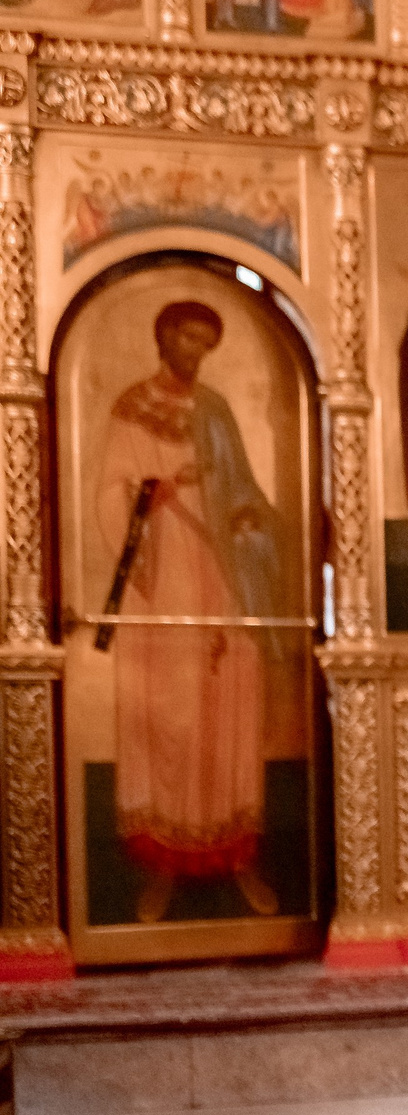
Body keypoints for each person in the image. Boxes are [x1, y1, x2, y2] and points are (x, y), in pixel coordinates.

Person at [90, 299, 285, 924]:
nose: (195, 352)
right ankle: (162, 868)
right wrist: (153, 494)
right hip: (163, 574)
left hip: (221, 569)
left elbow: (243, 487)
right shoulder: (132, 407)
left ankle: (236, 855)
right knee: (170, 707)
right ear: (163, 337)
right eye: (186, 338)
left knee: (229, 697)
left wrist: (256, 523)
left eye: (206, 342)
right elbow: (108, 493)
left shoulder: (217, 412)